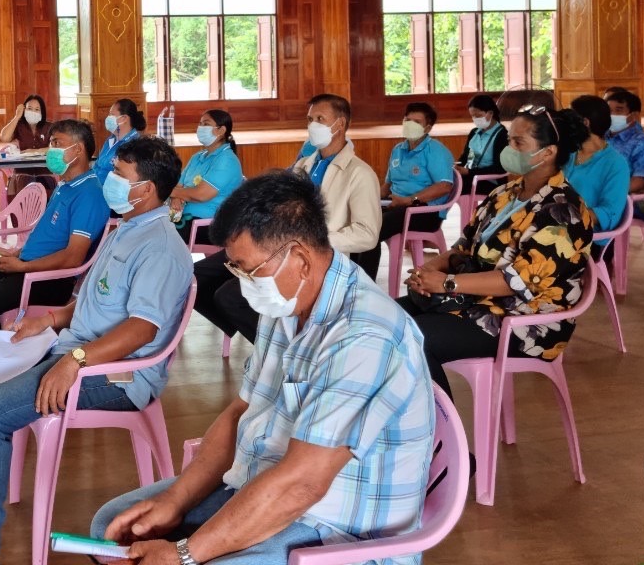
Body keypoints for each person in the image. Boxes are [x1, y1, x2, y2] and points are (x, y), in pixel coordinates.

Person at [90, 171, 435, 565]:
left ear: (299, 259)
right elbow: (241, 411)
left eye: (247, 270)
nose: (243, 283)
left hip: (334, 527)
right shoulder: (287, 302)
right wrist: (176, 499)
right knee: (113, 530)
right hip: (265, 483)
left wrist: (184, 554)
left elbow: (302, 486)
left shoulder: (364, 336)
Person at [0, 137, 193, 565]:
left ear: (147, 189)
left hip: (118, 374)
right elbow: (93, 302)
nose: (110, 178)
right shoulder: (126, 228)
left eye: (120, 174)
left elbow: (142, 329)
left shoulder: (160, 247)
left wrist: (74, 361)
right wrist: (47, 321)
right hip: (75, 349)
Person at [398, 107, 594, 395]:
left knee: (412, 337)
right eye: (509, 140)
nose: (508, 148)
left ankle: (438, 422)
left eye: (518, 143)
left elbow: (517, 282)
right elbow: (463, 247)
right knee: (385, 320)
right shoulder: (504, 194)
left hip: (524, 320)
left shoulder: (564, 212)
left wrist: (447, 283)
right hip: (477, 300)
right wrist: (429, 270)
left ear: (548, 152)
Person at [193, 94, 381, 345]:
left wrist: (315, 242)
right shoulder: (304, 165)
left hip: (308, 260)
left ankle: (285, 347)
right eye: (310, 119)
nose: (313, 125)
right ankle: (270, 335)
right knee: (197, 278)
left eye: (320, 119)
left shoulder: (359, 173)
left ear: (341, 124)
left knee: (230, 296)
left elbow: (367, 234)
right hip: (273, 246)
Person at [0, 120, 109, 336]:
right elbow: (47, 236)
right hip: (26, 264)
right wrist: (15, 255)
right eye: (51, 143)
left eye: (57, 143)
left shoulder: (89, 194)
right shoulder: (64, 185)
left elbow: (73, 257)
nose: (51, 150)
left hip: (49, 279)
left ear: (78, 149)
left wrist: (22, 267)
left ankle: (7, 349)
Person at [373, 101, 456, 264]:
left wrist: (409, 200)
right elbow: (387, 186)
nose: (410, 125)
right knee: (362, 222)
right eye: (407, 120)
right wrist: (371, 200)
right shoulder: (398, 150)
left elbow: (444, 186)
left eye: (417, 122)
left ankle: (364, 277)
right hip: (396, 204)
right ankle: (353, 274)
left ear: (427, 128)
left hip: (424, 211)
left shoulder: (436, 151)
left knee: (372, 231)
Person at [170, 109, 243, 245]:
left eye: (206, 124)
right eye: (200, 124)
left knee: (159, 236)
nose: (200, 128)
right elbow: (179, 185)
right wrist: (176, 198)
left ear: (221, 130)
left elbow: (201, 195)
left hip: (208, 225)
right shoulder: (197, 157)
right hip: (182, 217)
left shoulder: (227, 160)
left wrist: (170, 192)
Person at [565, 95, 631, 233]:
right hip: (560, 224)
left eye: (570, 121)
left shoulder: (615, 164)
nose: (567, 126)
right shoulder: (570, 153)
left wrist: (564, 216)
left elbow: (609, 212)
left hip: (587, 234)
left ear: (585, 122)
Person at [605, 88, 644, 197]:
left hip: (622, 199)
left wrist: (604, 194)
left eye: (618, 110)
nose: (611, 115)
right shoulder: (602, 137)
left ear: (634, 115)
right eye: (608, 111)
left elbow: (639, 182)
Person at [0, 93, 55, 198]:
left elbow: (55, 148)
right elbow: (4, 137)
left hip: (44, 173)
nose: (33, 112)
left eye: (37, 109)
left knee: (44, 186)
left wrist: (35, 152)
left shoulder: (49, 127)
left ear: (42, 112)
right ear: (24, 110)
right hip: (22, 173)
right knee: (24, 183)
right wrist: (17, 116)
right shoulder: (19, 126)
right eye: (29, 108)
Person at [455, 93, 508, 194]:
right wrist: (457, 166)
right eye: (472, 116)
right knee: (445, 180)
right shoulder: (474, 132)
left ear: (490, 113)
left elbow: (500, 168)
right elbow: (466, 157)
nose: (475, 119)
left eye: (478, 116)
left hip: (490, 181)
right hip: (471, 176)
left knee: (453, 186)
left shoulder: (502, 135)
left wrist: (469, 172)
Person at [94, 98, 145, 184]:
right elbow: (97, 165)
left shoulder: (134, 144)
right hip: (96, 185)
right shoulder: (111, 139)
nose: (108, 118)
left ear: (124, 118)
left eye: (111, 115)